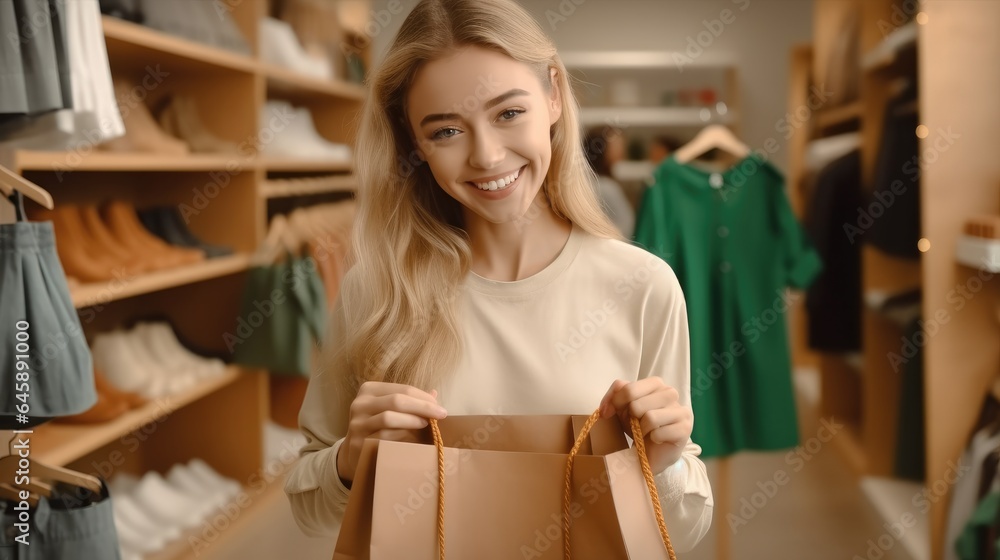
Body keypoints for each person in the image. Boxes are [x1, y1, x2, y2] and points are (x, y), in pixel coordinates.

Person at [283, 0, 713, 552]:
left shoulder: (643, 286)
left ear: (553, 96)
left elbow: (683, 529)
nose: (486, 156)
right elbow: (309, 510)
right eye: (445, 131)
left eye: (509, 113)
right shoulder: (376, 292)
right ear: (413, 141)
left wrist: (665, 464)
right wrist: (349, 460)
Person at [583, 126, 636, 238]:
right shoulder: (606, 187)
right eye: (616, 144)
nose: (622, 148)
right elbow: (627, 228)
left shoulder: (589, 182)